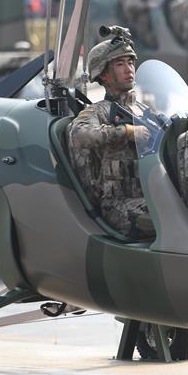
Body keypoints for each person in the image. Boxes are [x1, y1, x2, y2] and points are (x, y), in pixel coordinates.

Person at [68, 26, 154, 239]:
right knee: (168, 218)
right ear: (104, 74)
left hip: (150, 195)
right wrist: (125, 131)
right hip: (118, 204)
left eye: (131, 62)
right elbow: (79, 135)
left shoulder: (143, 111)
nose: (129, 69)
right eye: (120, 64)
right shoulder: (98, 111)